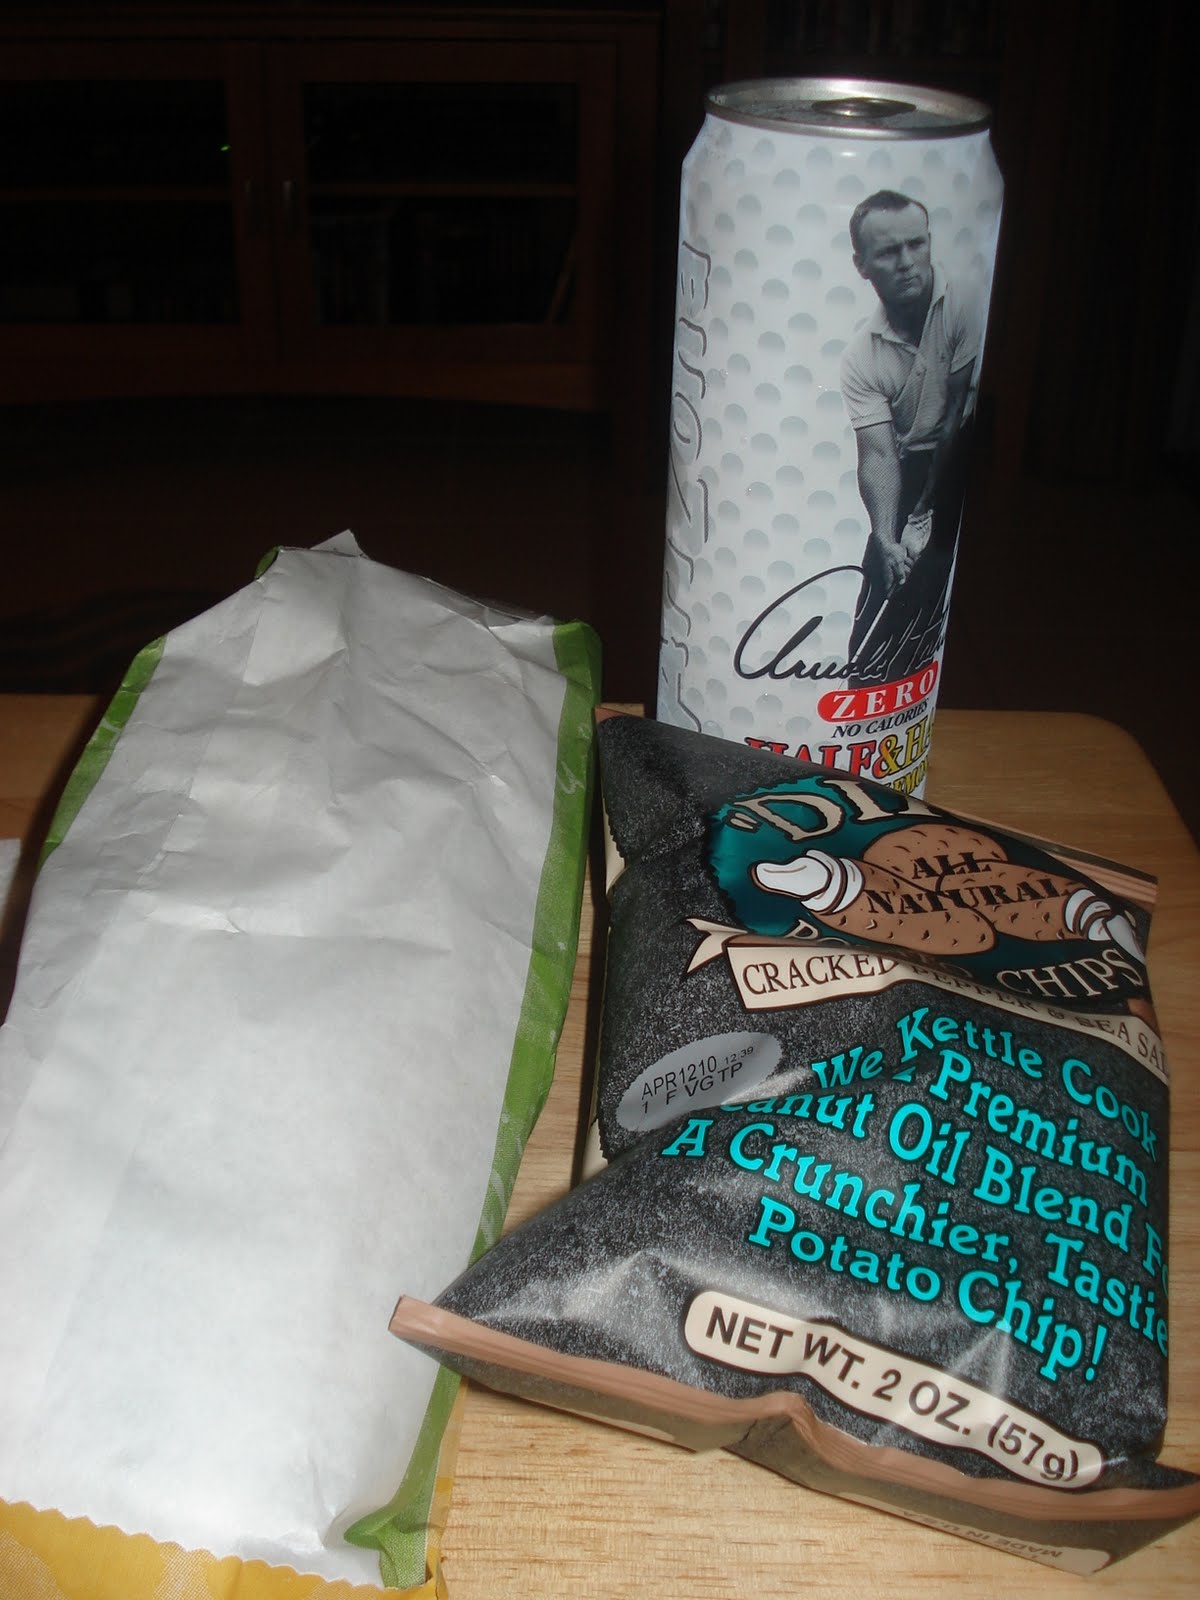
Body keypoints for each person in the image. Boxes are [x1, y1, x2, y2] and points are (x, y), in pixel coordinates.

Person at [840, 189, 981, 686]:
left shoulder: (964, 304)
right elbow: (879, 454)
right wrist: (885, 535)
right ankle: (864, 694)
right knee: (880, 591)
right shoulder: (861, 356)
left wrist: (923, 515)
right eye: (887, 252)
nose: (906, 262)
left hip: (964, 455)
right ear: (862, 265)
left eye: (916, 244)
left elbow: (956, 419)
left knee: (931, 596)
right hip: (913, 465)